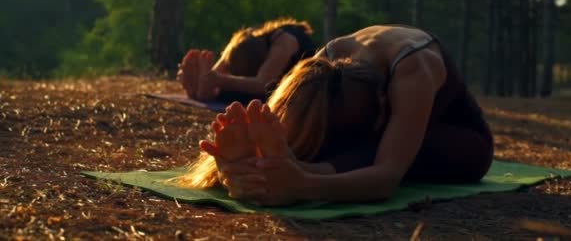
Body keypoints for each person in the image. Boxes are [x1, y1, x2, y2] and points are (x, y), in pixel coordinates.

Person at [175, 25, 494, 206]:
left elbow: (386, 177)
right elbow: (288, 119)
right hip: (358, 131)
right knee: (323, 136)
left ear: (385, 101)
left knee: (373, 152)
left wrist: (304, 186)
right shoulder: (325, 64)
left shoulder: (413, 71)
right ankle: (266, 165)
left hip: (459, 141)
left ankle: (292, 168)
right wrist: (240, 165)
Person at [177, 18, 316, 104]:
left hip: (292, 87)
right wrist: (204, 78)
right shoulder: (246, 38)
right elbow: (212, 75)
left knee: (254, 97)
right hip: (257, 77)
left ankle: (212, 92)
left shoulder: (285, 42)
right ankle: (204, 91)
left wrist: (218, 80)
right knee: (227, 87)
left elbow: (263, 84)